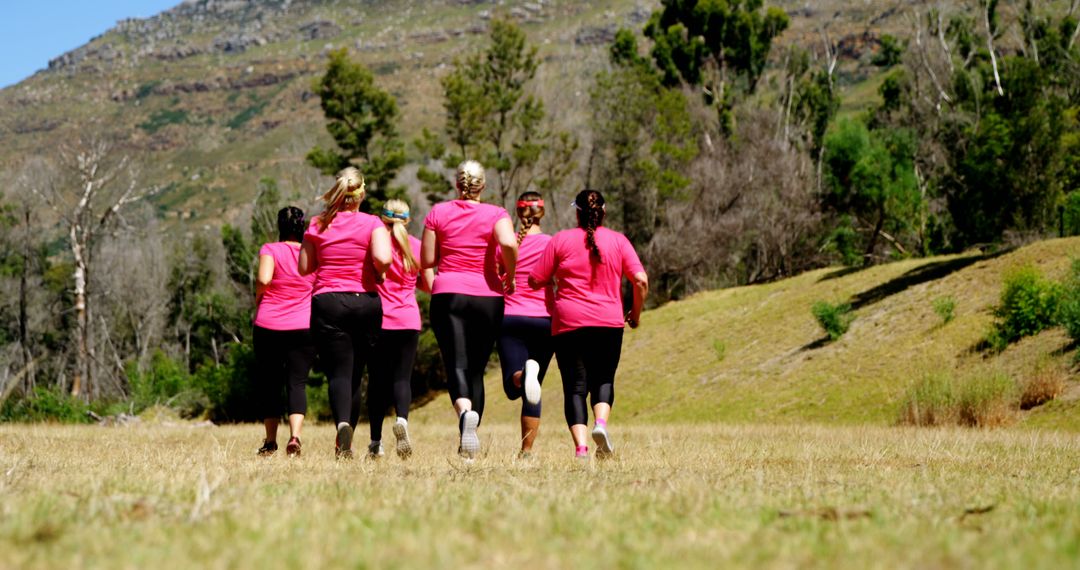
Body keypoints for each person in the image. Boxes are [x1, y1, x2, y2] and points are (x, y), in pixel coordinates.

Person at [528, 189, 648, 460]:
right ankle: (601, 425)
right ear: (603, 212)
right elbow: (641, 280)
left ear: (577, 213)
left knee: (575, 387)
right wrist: (636, 314)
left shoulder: (560, 240)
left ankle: (581, 448)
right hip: (609, 322)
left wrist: (549, 279)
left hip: (569, 323)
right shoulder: (618, 241)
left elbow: (535, 279)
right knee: (603, 378)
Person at [421, 160, 518, 458]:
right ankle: (469, 439)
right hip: (488, 296)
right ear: (483, 187)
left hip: (449, 294)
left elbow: (426, 260)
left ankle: (465, 416)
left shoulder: (439, 212)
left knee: (456, 363)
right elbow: (510, 244)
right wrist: (510, 276)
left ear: (456, 184)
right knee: (476, 369)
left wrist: (436, 284)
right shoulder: (496, 213)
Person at [298, 167, 392, 459]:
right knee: (356, 372)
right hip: (365, 302)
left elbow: (304, 267)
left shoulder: (317, 223)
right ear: (361, 193)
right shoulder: (373, 223)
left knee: (338, 373)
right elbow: (383, 258)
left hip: (328, 302)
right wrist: (380, 271)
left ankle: (342, 427)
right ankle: (349, 427)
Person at [366, 199, 435, 459]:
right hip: (408, 320)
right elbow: (428, 286)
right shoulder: (416, 246)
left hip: (379, 319)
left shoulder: (374, 244)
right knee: (401, 379)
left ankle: (375, 442)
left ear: (381, 218)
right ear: (407, 220)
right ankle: (402, 421)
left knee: (377, 381)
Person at [253, 207, 316, 457]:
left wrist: (259, 299)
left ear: (280, 226)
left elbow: (264, 279)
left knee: (271, 384)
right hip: (303, 326)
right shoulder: (310, 253)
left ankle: (270, 442)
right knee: (297, 383)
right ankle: (295, 437)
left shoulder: (270, 249)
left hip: (269, 324)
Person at [496, 191, 554, 457]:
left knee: (513, 386)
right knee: (535, 390)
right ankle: (527, 451)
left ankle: (521, 375)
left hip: (511, 318)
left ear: (517, 213)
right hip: (545, 320)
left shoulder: (505, 245)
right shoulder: (553, 244)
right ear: (543, 212)